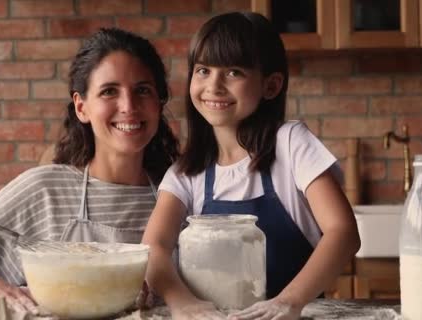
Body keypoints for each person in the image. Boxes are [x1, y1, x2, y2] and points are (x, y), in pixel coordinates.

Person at [0, 27, 179, 311]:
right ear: (81, 107)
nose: (128, 106)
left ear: (159, 103)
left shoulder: (181, 192)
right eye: (109, 91)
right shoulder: (44, 191)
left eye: (142, 90)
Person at [141, 12, 360, 320]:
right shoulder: (186, 173)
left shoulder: (290, 144)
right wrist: (183, 303)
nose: (214, 86)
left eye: (233, 72)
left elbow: (343, 232)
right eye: (203, 70)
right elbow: (154, 247)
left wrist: (289, 302)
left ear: (270, 85)